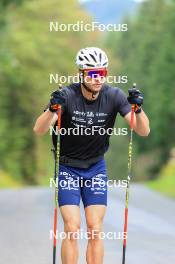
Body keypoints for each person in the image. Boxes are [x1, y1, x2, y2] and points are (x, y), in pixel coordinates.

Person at [33, 47, 150, 264]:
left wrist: (138, 109)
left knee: (96, 229)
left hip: (96, 167)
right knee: (72, 227)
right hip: (68, 168)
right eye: (93, 74)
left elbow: (142, 130)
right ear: (82, 74)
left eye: (102, 73)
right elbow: (39, 129)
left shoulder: (114, 96)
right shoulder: (67, 95)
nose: (98, 79)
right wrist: (52, 108)